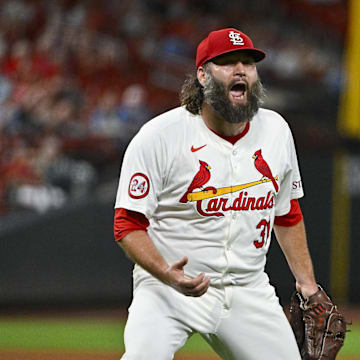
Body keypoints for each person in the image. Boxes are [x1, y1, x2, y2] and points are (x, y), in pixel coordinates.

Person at [113, 28, 318, 360]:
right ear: (202, 75)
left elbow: (287, 213)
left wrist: (307, 285)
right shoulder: (160, 136)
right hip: (166, 290)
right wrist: (165, 273)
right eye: (226, 62)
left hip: (246, 289)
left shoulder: (276, 130)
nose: (240, 70)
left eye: (248, 63)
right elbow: (127, 224)